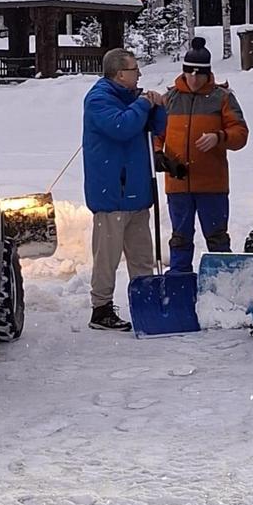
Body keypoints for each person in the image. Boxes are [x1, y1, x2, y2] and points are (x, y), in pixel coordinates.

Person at [82, 48, 166, 331]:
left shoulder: (131, 98)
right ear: (119, 74)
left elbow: (157, 127)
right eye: (134, 70)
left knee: (142, 256)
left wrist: (157, 107)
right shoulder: (98, 99)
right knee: (107, 257)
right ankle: (101, 309)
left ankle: (146, 305)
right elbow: (121, 127)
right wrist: (142, 105)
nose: (139, 74)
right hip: (112, 194)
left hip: (136, 192)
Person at [154, 38, 249, 272]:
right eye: (190, 73)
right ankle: (179, 281)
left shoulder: (222, 98)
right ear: (184, 72)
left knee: (217, 239)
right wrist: (158, 154)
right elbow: (157, 134)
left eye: (199, 75)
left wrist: (219, 137)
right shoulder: (170, 99)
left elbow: (240, 134)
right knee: (180, 238)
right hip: (178, 183)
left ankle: (222, 279)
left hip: (212, 184)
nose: (194, 79)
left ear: (208, 74)